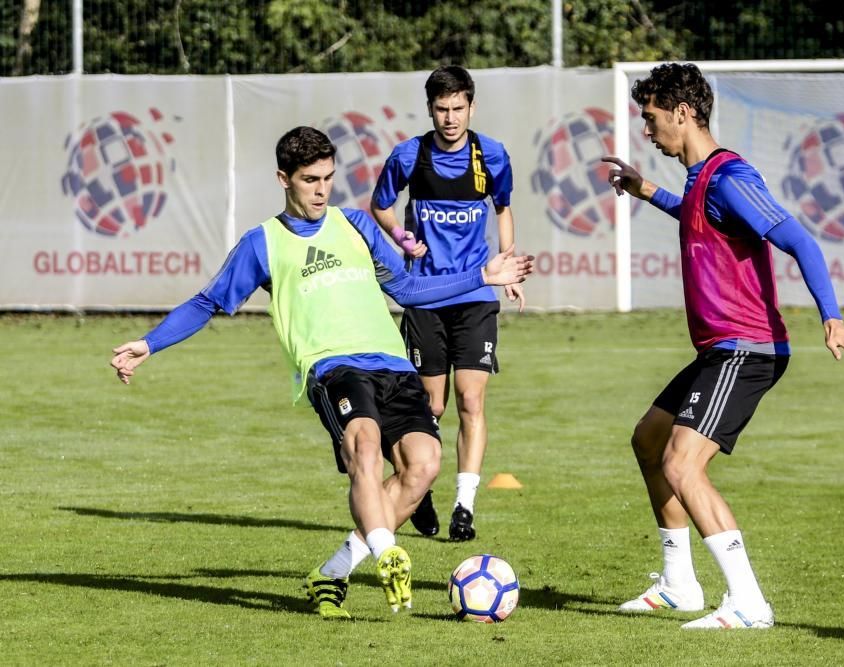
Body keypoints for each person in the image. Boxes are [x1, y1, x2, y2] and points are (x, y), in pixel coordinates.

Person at [110, 126, 532, 619]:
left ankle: (331, 574)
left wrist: (482, 276)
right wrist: (149, 343)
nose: (321, 190)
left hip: (392, 363)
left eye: (329, 178)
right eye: (310, 180)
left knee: (423, 466)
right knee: (365, 448)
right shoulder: (262, 243)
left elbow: (410, 290)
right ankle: (386, 552)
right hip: (332, 367)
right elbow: (207, 302)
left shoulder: (355, 223)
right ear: (282, 179)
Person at [602, 63, 844, 630]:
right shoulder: (702, 180)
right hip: (718, 349)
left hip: (747, 348)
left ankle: (748, 602)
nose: (646, 132)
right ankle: (678, 585)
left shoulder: (728, 176)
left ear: (683, 112)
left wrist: (834, 319)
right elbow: (695, 214)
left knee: (682, 463)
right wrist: (644, 188)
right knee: (649, 440)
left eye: (651, 119)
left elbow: (799, 239)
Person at [371, 65, 522, 542]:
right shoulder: (409, 155)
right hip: (426, 296)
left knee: (471, 399)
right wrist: (400, 236)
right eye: (442, 109)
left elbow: (503, 208)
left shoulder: (491, 155)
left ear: (471, 107)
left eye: (458, 108)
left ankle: (465, 506)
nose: (450, 117)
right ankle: (421, 486)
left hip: (476, 294)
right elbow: (380, 204)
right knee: (429, 404)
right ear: (430, 109)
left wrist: (508, 265)